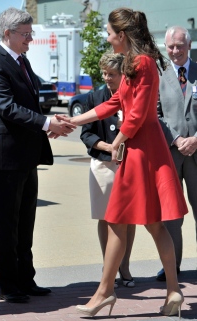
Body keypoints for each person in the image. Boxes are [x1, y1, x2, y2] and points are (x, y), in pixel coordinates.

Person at [56, 7, 187, 318]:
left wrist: (117, 141)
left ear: (122, 35)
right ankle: (172, 292)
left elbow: (139, 113)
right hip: (144, 148)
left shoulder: (142, 63)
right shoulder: (136, 61)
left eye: (109, 33)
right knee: (151, 224)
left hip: (142, 149)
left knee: (119, 219)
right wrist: (74, 120)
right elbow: (114, 103)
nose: (107, 37)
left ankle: (106, 292)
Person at [0, 7, 75, 303]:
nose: (30, 40)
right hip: (4, 157)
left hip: (25, 156)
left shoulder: (22, 61)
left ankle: (25, 278)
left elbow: (29, 105)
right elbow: (7, 107)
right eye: (26, 34)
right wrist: (47, 122)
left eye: (31, 34)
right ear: (7, 33)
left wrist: (50, 126)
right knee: (6, 224)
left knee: (24, 222)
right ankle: (7, 285)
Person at [80, 51, 136, 289]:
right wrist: (109, 147)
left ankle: (124, 265)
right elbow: (87, 134)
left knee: (129, 218)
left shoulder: (133, 94)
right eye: (104, 73)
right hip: (103, 165)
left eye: (112, 74)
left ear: (123, 74)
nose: (107, 78)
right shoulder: (95, 96)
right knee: (106, 217)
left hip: (131, 164)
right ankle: (109, 266)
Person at [156, 26, 197, 282]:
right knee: (172, 214)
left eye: (179, 46)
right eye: (170, 46)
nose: (175, 51)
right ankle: (172, 266)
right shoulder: (159, 75)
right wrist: (178, 138)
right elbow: (155, 115)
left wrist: (195, 140)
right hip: (170, 154)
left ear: (189, 45)